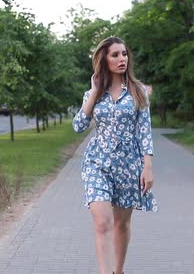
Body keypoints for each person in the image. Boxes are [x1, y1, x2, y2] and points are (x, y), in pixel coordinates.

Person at [73, 36, 158, 274]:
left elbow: (144, 131)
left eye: (124, 54)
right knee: (102, 221)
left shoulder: (138, 91)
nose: (122, 59)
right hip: (97, 162)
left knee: (121, 224)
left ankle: (117, 271)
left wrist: (147, 166)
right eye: (115, 55)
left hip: (128, 165)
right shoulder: (93, 94)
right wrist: (92, 93)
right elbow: (78, 126)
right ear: (104, 60)